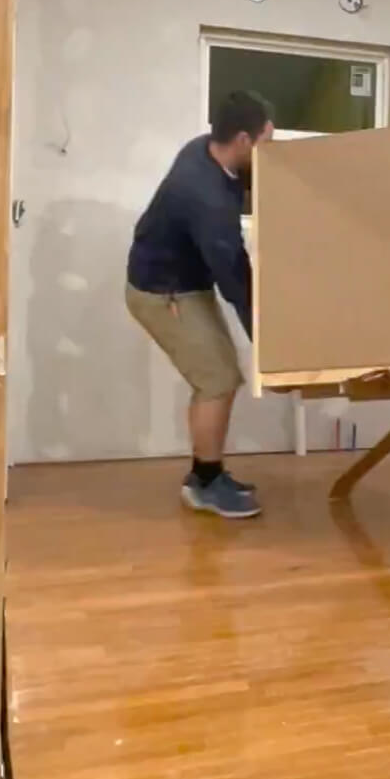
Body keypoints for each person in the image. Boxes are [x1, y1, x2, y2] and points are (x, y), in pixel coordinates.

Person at [126, 90, 274, 520]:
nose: (270, 148)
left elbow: (242, 188)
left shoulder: (204, 149)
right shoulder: (205, 197)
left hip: (183, 281)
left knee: (222, 376)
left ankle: (206, 475)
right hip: (163, 293)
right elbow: (235, 280)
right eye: (267, 139)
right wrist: (270, 342)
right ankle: (205, 483)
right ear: (244, 139)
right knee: (217, 380)